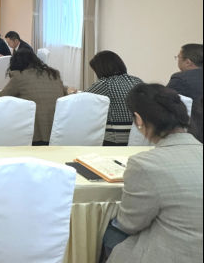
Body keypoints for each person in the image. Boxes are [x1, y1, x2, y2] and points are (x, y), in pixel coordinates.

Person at [102, 84, 202, 263]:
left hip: (172, 254)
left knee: (111, 231)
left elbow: (130, 223)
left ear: (139, 119)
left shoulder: (144, 164)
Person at [0, 49, 68, 144]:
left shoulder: (19, 76)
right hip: (58, 130)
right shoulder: (53, 73)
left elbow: (3, 97)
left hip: (34, 134)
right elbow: (65, 94)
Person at [85, 50, 143, 145]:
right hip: (138, 135)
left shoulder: (105, 83)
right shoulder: (137, 81)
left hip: (115, 138)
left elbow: (82, 100)